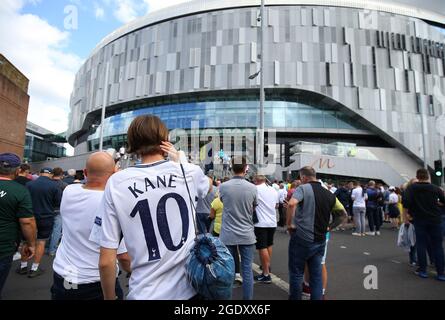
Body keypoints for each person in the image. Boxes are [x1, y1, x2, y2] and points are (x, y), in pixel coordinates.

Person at [98, 115, 212, 300]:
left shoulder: (116, 182)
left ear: (132, 141)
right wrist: (180, 160)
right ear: (164, 140)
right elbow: (208, 184)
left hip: (144, 292)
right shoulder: (188, 172)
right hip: (189, 291)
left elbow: (106, 261)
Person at [51, 152, 130, 300]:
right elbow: (123, 256)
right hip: (95, 283)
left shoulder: (69, 191)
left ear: (85, 172)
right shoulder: (113, 205)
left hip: (66, 275)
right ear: (114, 174)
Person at [286, 166, 346, 300]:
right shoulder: (329, 193)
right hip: (320, 239)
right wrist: (329, 227)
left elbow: (291, 204)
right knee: (316, 275)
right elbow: (343, 214)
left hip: (302, 238)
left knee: (296, 273)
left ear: (303, 177)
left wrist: (290, 225)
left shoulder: (303, 188)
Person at [219, 156, 257, 300]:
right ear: (245, 167)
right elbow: (254, 207)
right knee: (247, 270)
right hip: (247, 233)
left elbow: (223, 202)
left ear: (231, 168)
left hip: (228, 233)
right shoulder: (252, 187)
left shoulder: (223, 186)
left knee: (229, 269)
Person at [0, 153, 37, 299]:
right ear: (17, 171)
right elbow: (27, 221)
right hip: (3, 247)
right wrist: (31, 244)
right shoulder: (20, 191)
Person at [403, 168, 445, 281]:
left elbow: (406, 203)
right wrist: (437, 203)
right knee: (438, 245)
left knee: (421, 244)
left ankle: (423, 271)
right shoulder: (435, 188)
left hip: (419, 219)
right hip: (435, 219)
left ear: (417, 176)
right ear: (427, 176)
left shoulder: (411, 188)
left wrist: (405, 218)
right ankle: (441, 273)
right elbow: (444, 200)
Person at [19, 167, 62, 277]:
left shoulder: (29, 184)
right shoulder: (54, 186)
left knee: (25, 241)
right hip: (46, 217)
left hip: (29, 216)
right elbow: (58, 202)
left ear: (39, 173)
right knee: (41, 242)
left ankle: (23, 266)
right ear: (51, 175)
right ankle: (34, 268)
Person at [253, 175, 279, 284]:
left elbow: (252, 204)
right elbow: (277, 205)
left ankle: (266, 274)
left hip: (261, 223)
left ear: (256, 181)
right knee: (268, 245)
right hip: (272, 221)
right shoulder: (273, 190)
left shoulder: (255, 189)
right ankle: (266, 266)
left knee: (262, 247)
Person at [48, 167, 68, 256]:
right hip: (59, 209)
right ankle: (52, 250)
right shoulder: (64, 185)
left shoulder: (47, 183)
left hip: (47, 208)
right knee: (56, 230)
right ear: (61, 174)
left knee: (46, 229)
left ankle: (45, 246)